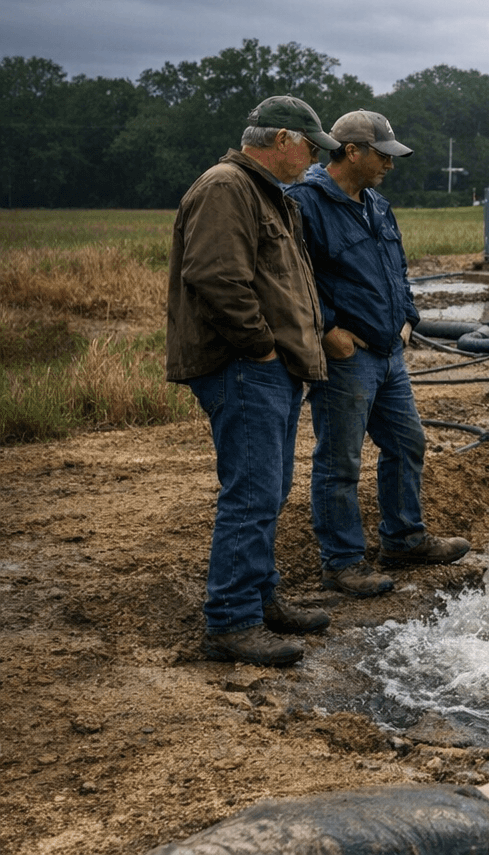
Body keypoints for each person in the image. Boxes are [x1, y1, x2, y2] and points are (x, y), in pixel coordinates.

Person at [167, 96, 339, 667]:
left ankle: (261, 599)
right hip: (247, 367)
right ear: (283, 139)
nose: (314, 159)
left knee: (270, 489)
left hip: (272, 369)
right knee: (252, 494)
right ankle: (232, 621)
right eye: (311, 148)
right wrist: (262, 348)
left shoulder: (270, 195)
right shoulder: (227, 187)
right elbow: (216, 278)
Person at [287, 110, 470, 599]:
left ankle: (404, 539)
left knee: (407, 443)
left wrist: (408, 317)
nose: (390, 164)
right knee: (340, 462)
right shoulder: (304, 204)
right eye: (383, 155)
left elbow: (398, 266)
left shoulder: (377, 205)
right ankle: (342, 563)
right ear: (352, 152)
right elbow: (290, 275)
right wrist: (329, 330)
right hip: (348, 357)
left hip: (389, 353)